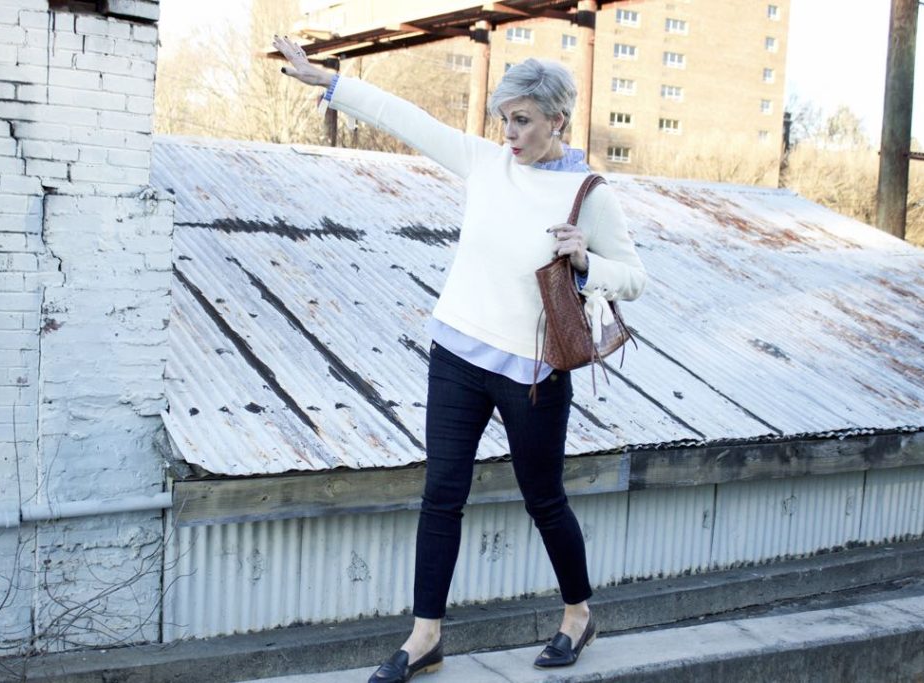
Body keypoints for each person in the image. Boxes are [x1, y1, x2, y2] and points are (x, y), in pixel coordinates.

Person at [273, 35, 647, 683]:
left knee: (543, 498)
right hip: (456, 352)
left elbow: (634, 279)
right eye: (504, 117)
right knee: (440, 494)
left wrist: (587, 259)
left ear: (557, 119)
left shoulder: (589, 194)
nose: (509, 130)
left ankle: (577, 614)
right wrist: (327, 80)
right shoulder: (485, 161)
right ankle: (424, 637)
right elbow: (407, 118)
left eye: (523, 119)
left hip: (531, 373)